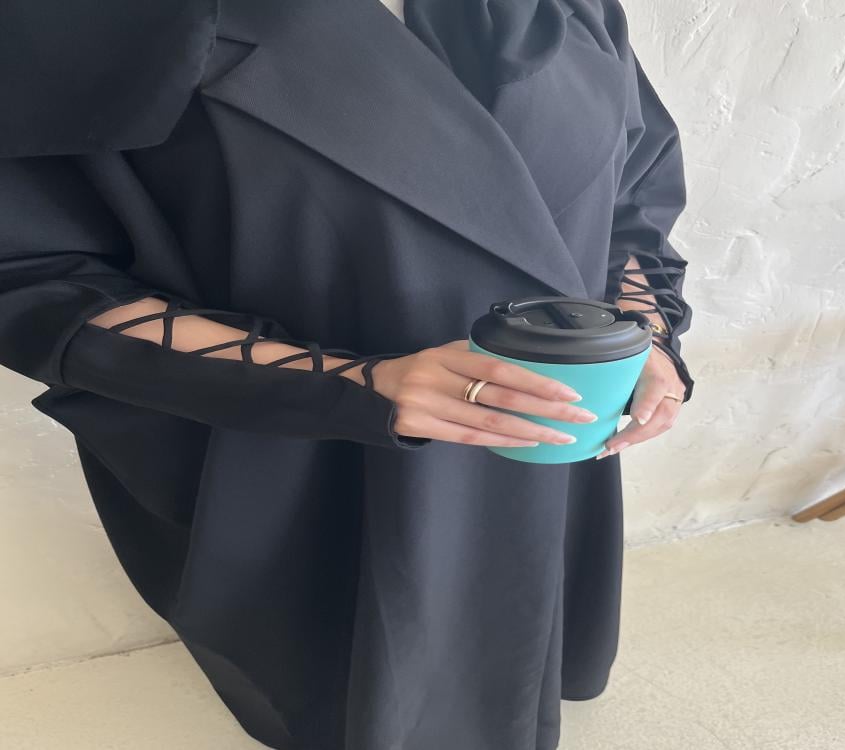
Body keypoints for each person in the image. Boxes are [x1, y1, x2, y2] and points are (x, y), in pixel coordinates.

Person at [0, 1, 694, 748]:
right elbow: (37, 271)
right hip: (316, 464)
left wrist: (645, 333)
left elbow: (631, 183)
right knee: (368, 686)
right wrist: (352, 382)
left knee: (518, 642)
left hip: (555, 448)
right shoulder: (94, 18)